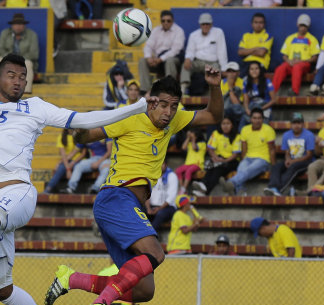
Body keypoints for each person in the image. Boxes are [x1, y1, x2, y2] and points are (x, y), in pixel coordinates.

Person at [0, 53, 158, 305]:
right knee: (1, 291)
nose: (17, 81)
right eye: (11, 75)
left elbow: (82, 119)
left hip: (18, 192)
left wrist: (137, 107)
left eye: (22, 77)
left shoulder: (35, 106)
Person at [44, 66, 222, 305]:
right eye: (164, 105)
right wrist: (79, 133)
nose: (169, 112)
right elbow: (87, 136)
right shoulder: (128, 117)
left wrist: (214, 86)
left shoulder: (174, 120)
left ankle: (70, 279)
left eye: (174, 106)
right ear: (151, 103)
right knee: (155, 253)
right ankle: (102, 303)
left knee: (143, 291)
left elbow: (213, 116)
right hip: (116, 197)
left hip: (129, 205)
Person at [220, 108, 276, 195]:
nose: (257, 121)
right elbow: (244, 149)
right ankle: (240, 191)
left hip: (263, 159)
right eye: (254, 118)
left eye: (259, 118)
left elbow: (272, 150)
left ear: (263, 119)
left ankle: (231, 183)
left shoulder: (268, 130)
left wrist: (273, 167)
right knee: (241, 168)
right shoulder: (245, 130)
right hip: (248, 158)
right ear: (250, 119)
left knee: (248, 170)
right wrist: (243, 161)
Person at [264, 112, 314, 196]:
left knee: (293, 167)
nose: (296, 125)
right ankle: (273, 187)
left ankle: (278, 189)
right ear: (291, 124)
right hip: (291, 160)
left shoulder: (309, 135)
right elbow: (287, 152)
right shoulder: (286, 135)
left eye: (299, 123)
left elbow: (309, 155)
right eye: (294, 123)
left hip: (305, 162)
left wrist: (292, 162)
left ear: (303, 124)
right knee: (277, 166)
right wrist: (287, 159)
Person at [0, 13, 38, 94]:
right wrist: (11, 58)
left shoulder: (32, 35)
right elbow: (0, 51)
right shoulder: (5, 33)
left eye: (20, 24)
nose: (18, 27)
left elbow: (34, 54)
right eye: (16, 24)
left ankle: (26, 91)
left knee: (28, 63)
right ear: (12, 25)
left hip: (24, 61)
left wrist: (18, 59)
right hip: (9, 60)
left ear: (24, 25)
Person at [272, 14, 319, 96]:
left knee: (297, 67)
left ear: (308, 26)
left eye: (305, 26)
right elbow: (284, 55)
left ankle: (294, 91)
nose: (303, 28)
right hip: (290, 63)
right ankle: (272, 91)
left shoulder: (312, 39)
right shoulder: (290, 38)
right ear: (297, 25)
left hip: (304, 65)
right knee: (280, 68)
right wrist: (288, 61)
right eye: (301, 25)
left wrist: (301, 61)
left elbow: (315, 58)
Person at [138, 10, 185, 94]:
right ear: (161, 21)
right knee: (142, 61)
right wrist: (148, 57)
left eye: (168, 21)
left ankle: (169, 89)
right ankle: (145, 90)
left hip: (173, 60)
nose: (166, 23)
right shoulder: (156, 30)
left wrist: (160, 59)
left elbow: (175, 50)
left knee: (170, 60)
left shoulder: (179, 31)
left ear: (172, 21)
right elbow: (148, 46)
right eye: (163, 21)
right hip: (157, 61)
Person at [180, 13, 227, 95]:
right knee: (185, 65)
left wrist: (224, 68)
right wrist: (188, 59)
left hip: (212, 63)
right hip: (198, 62)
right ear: (200, 24)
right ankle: (183, 88)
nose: (205, 26)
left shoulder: (218, 32)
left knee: (216, 71)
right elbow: (190, 51)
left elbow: (222, 51)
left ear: (211, 24)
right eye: (203, 24)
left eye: (207, 24)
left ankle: (214, 94)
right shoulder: (193, 35)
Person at [192, 117, 241, 196]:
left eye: (228, 123)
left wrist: (223, 161)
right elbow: (210, 149)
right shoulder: (216, 133)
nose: (225, 126)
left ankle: (204, 188)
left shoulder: (237, 136)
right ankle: (203, 187)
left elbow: (235, 154)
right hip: (218, 159)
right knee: (213, 167)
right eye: (223, 124)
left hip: (231, 161)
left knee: (218, 168)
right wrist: (216, 158)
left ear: (232, 125)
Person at [43, 129, 87, 194]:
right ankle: (48, 189)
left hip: (78, 160)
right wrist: (68, 169)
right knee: (60, 168)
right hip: (67, 160)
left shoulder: (79, 136)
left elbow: (83, 154)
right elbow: (63, 155)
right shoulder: (61, 137)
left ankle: (70, 188)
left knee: (74, 167)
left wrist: (72, 163)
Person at [238, 61, 276, 130]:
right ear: (249, 71)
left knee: (262, 129)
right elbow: (245, 100)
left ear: (260, 70)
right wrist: (247, 110)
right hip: (252, 109)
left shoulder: (267, 82)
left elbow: (274, 100)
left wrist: (261, 109)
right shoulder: (246, 83)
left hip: (264, 108)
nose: (254, 71)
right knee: (241, 127)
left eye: (256, 69)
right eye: (252, 69)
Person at [145, 161, 178, 232]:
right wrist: (148, 208)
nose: (160, 166)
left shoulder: (172, 176)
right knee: (140, 212)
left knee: (160, 214)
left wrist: (159, 208)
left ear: (166, 165)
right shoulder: (151, 175)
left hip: (167, 207)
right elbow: (146, 193)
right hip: (152, 206)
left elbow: (171, 197)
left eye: (162, 164)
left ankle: (150, 235)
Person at [176, 128, 206, 195]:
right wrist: (188, 138)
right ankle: (182, 188)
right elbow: (183, 148)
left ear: (196, 135)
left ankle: (184, 189)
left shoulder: (202, 143)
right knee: (178, 170)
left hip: (197, 164)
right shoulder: (190, 142)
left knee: (188, 171)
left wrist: (193, 139)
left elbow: (194, 147)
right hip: (188, 164)